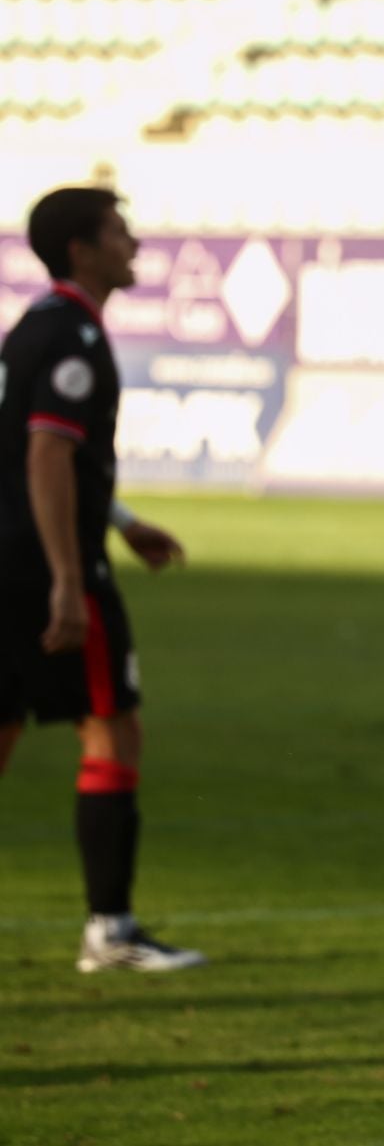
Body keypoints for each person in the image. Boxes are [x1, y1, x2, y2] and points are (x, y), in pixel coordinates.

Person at [0, 187, 204, 974]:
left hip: (9, 556)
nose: (136, 243)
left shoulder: (35, 327)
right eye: (121, 231)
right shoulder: (77, 335)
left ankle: (111, 927)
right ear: (82, 249)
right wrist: (65, 577)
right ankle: (111, 930)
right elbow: (48, 456)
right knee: (111, 724)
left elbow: (42, 452)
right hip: (51, 567)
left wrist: (121, 522)